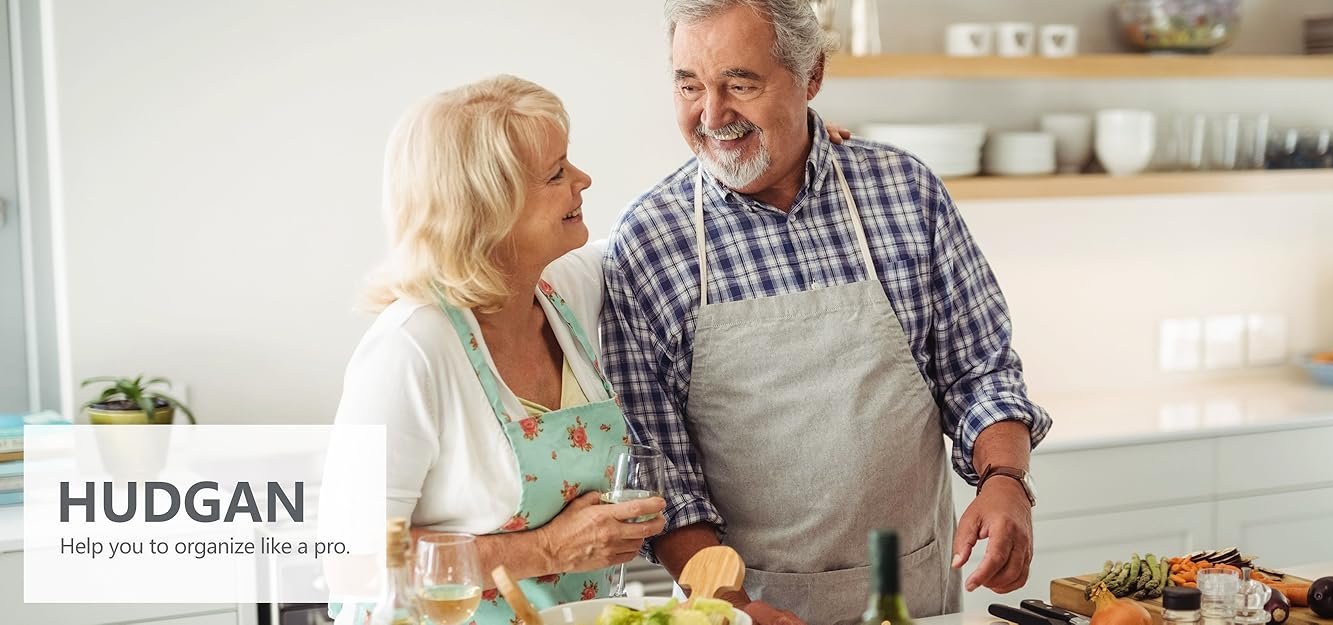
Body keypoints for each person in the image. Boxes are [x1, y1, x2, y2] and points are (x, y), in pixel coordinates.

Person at [601, 2, 1054, 624]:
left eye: (741, 84)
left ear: (811, 75)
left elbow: (981, 370)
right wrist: (730, 606)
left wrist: (1006, 480)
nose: (712, 114)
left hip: (913, 596)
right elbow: (662, 471)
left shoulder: (904, 191)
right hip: (750, 606)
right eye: (689, 85)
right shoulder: (650, 241)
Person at [331, 75, 667, 625]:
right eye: (557, 174)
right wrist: (547, 549)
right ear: (489, 211)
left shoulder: (561, 291)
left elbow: (656, 225)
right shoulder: (410, 348)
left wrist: (793, 148)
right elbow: (354, 562)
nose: (583, 179)